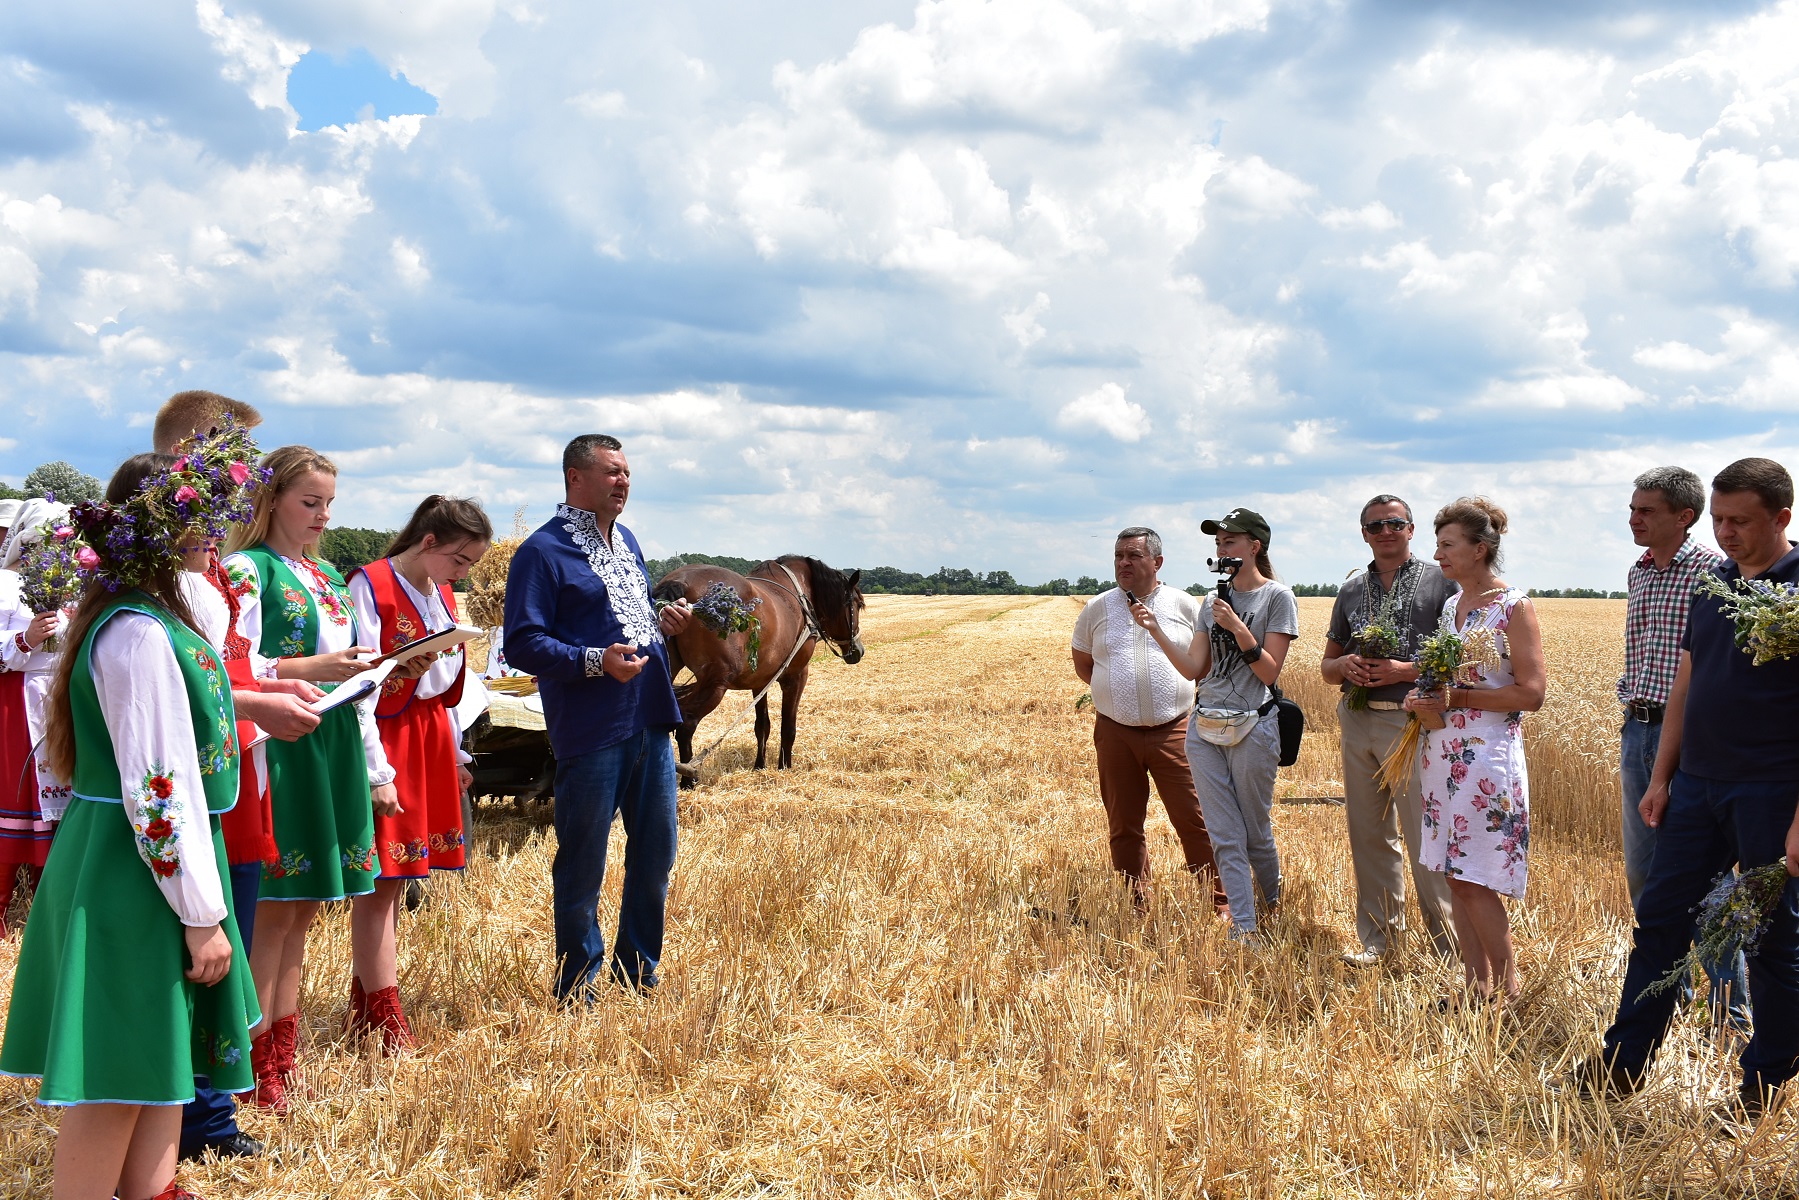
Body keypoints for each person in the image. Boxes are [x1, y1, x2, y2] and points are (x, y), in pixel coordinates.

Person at [0, 453, 262, 1200]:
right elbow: (158, 790)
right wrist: (201, 913)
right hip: (135, 868)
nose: (213, 531)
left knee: (157, 1060)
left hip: (145, 862)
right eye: (198, 516)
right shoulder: (138, 633)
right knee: (118, 1073)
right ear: (153, 527)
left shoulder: (147, 618)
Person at [1577, 458, 1799, 1119]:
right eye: (1719, 520)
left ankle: (1761, 1087)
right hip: (1696, 789)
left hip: (1771, 792)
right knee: (1659, 925)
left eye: (1740, 522)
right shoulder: (1713, 585)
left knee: (1770, 943)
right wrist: (1661, 778)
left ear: (1781, 518)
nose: (1724, 533)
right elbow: (1685, 685)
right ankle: (1620, 1066)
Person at [152, 393, 324, 1161]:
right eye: (237, 461)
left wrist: (292, 678)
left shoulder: (207, 557)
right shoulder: (160, 562)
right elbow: (174, 676)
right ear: (192, 459)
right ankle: (195, 1119)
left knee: (233, 932)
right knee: (202, 939)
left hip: (234, 768)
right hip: (194, 776)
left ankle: (208, 1111)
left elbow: (230, 662)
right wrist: (258, 701)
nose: (248, 478)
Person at [223, 446, 383, 1112]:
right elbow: (232, 665)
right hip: (282, 741)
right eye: (309, 502)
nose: (322, 516)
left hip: (332, 738)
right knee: (276, 910)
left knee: (307, 905)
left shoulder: (324, 574)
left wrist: (367, 667)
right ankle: (254, 1061)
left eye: (329, 505)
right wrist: (314, 667)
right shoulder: (246, 570)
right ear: (270, 501)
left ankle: (281, 1057)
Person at [503, 434, 691, 998]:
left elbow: (627, 618)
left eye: (627, 472)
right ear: (575, 477)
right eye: (612, 472)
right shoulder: (541, 552)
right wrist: (594, 661)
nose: (623, 482)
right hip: (592, 729)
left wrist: (662, 621)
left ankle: (637, 974)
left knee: (656, 855)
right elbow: (523, 643)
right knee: (584, 860)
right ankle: (577, 983)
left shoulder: (627, 540)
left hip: (651, 719)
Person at [346, 496, 492, 1049]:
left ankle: (367, 1006)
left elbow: (449, 687)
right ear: (428, 542)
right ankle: (382, 1013)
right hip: (389, 736)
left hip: (428, 733)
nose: (463, 573)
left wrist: (455, 754)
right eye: (460, 559)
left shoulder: (442, 592)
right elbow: (357, 681)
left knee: (400, 876)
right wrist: (375, 768)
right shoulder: (371, 584)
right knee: (384, 879)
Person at [1617, 466, 1747, 1032]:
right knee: (1645, 873)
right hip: (1638, 729)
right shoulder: (1640, 572)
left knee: (1709, 881)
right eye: (1632, 508)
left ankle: (1729, 1011)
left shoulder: (1714, 575)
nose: (1634, 519)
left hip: (1694, 740)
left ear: (1683, 516)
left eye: (1646, 510)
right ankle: (1674, 993)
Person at [1134, 508, 1297, 940]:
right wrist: (1155, 630)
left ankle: (1273, 907)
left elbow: (1269, 672)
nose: (1222, 550)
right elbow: (1194, 669)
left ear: (1254, 547)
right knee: (1224, 834)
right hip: (1204, 727)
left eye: (1230, 542)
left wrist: (1238, 628)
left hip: (1254, 726)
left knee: (1255, 831)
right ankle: (1244, 928)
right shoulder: (1211, 601)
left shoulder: (1277, 598)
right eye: (1218, 544)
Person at [1406, 498, 1545, 1004]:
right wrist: (1422, 697)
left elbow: (1532, 694)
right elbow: (1444, 680)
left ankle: (1507, 991)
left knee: (1474, 877)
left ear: (1479, 549)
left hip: (1486, 757)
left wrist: (1456, 699)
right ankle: (1475, 985)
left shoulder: (1514, 607)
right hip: (1442, 751)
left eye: (1448, 545)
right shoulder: (1452, 606)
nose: (1437, 554)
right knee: (1453, 873)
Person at [1321, 495, 1458, 966]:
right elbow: (1326, 667)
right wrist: (1345, 664)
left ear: (1411, 529)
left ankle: (1449, 951)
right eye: (1375, 525)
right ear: (1364, 534)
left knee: (1426, 838)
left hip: (1413, 723)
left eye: (1395, 523)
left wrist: (1404, 669)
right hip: (1358, 719)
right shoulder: (1351, 589)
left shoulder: (1442, 582)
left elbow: (1461, 659)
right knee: (1369, 834)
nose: (1385, 531)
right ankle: (1379, 941)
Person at [1069, 527, 1225, 912]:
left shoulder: (1183, 605)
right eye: (1119, 555)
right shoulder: (1097, 608)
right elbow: (1084, 664)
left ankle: (1220, 902)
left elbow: (1203, 665)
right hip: (1115, 733)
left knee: (1195, 819)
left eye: (1134, 555)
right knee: (1123, 824)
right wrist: (1115, 692)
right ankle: (1137, 903)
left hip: (1176, 730)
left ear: (1157, 562)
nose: (1124, 563)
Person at [1, 498, 74, 925]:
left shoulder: (72, 589)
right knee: (14, 799)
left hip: (61, 703)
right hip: (17, 704)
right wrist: (25, 639)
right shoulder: (5, 584)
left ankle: (47, 918)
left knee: (59, 804)